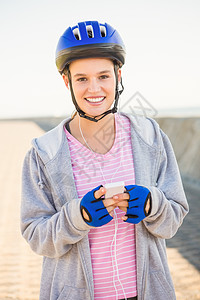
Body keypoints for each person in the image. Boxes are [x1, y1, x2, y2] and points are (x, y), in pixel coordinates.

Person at [20, 21, 189, 300]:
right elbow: (36, 236)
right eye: (82, 79)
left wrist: (151, 203)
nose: (94, 88)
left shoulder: (150, 137)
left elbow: (173, 218)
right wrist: (79, 216)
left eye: (103, 76)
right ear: (67, 82)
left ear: (118, 76)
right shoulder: (43, 153)